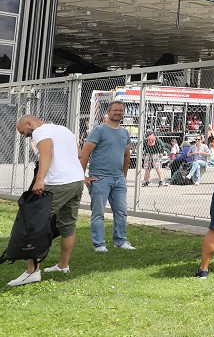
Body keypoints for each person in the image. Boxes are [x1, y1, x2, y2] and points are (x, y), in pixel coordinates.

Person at [8, 115, 85, 286]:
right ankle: (63, 266)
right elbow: (79, 154)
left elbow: (46, 152)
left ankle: (32, 272)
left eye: (24, 132)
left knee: (33, 223)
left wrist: (40, 179)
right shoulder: (64, 130)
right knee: (68, 224)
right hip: (76, 182)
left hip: (57, 183)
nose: (25, 135)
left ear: (30, 123)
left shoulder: (40, 131)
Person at [80, 100, 135, 253]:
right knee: (98, 213)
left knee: (121, 211)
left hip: (118, 179)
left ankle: (120, 241)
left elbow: (126, 156)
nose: (118, 113)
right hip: (100, 178)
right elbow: (85, 153)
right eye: (115, 110)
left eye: (121, 110)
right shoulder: (99, 130)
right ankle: (99, 244)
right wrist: (82, 176)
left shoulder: (124, 133)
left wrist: (123, 177)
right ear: (109, 112)